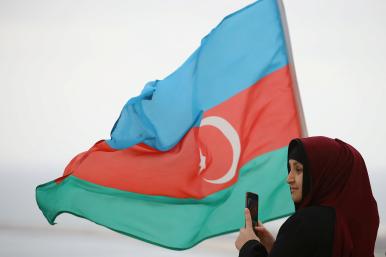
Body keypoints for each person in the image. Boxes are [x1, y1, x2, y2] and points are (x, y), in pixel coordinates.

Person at [235, 136, 379, 257]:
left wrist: (248, 247)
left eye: (298, 170)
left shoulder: (306, 223)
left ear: (322, 174)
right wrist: (277, 248)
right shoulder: (362, 222)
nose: (289, 178)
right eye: (290, 169)